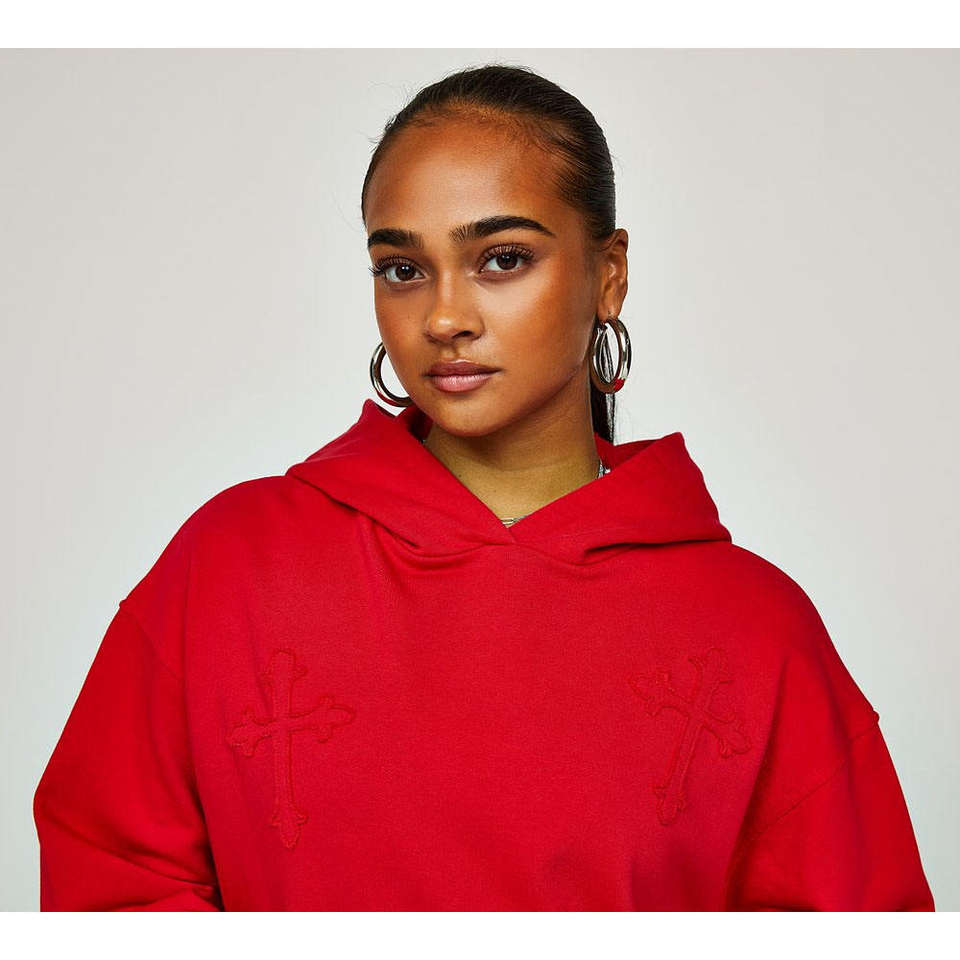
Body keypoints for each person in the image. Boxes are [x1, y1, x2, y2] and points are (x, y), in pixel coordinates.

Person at [32, 63, 935, 912]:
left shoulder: (755, 629)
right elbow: (111, 878)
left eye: (502, 258)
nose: (444, 317)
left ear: (609, 275)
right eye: (403, 268)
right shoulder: (232, 564)